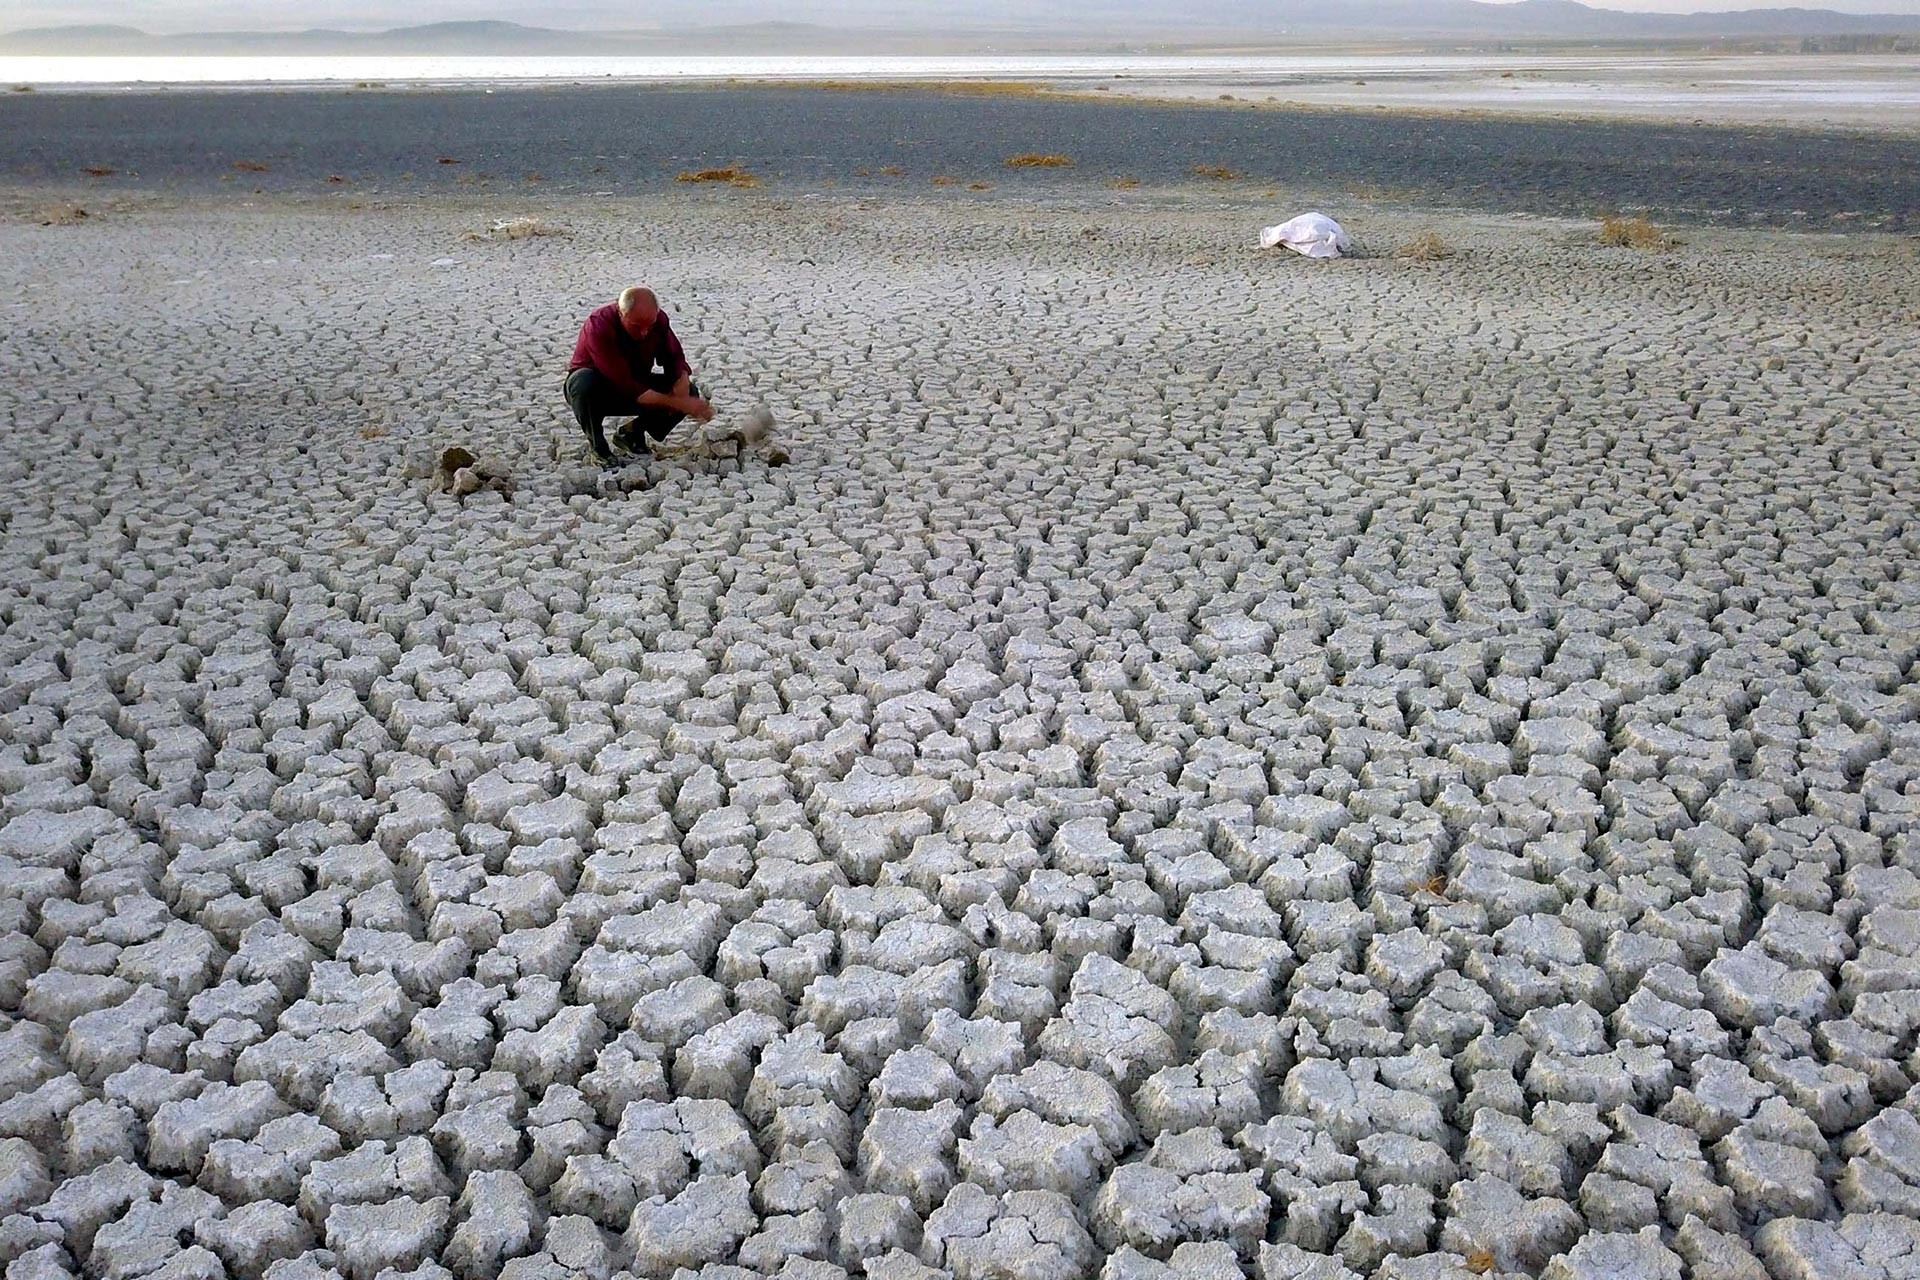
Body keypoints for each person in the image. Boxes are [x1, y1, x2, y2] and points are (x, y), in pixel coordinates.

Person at [565, 287, 715, 464]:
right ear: (621, 314)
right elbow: (625, 383)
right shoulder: (599, 325)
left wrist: (682, 386)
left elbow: (674, 358)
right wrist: (679, 403)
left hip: (639, 383)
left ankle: (631, 434)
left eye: (649, 326)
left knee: (690, 391)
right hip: (601, 390)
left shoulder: (658, 321)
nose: (644, 332)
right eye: (636, 326)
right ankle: (599, 448)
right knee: (582, 383)